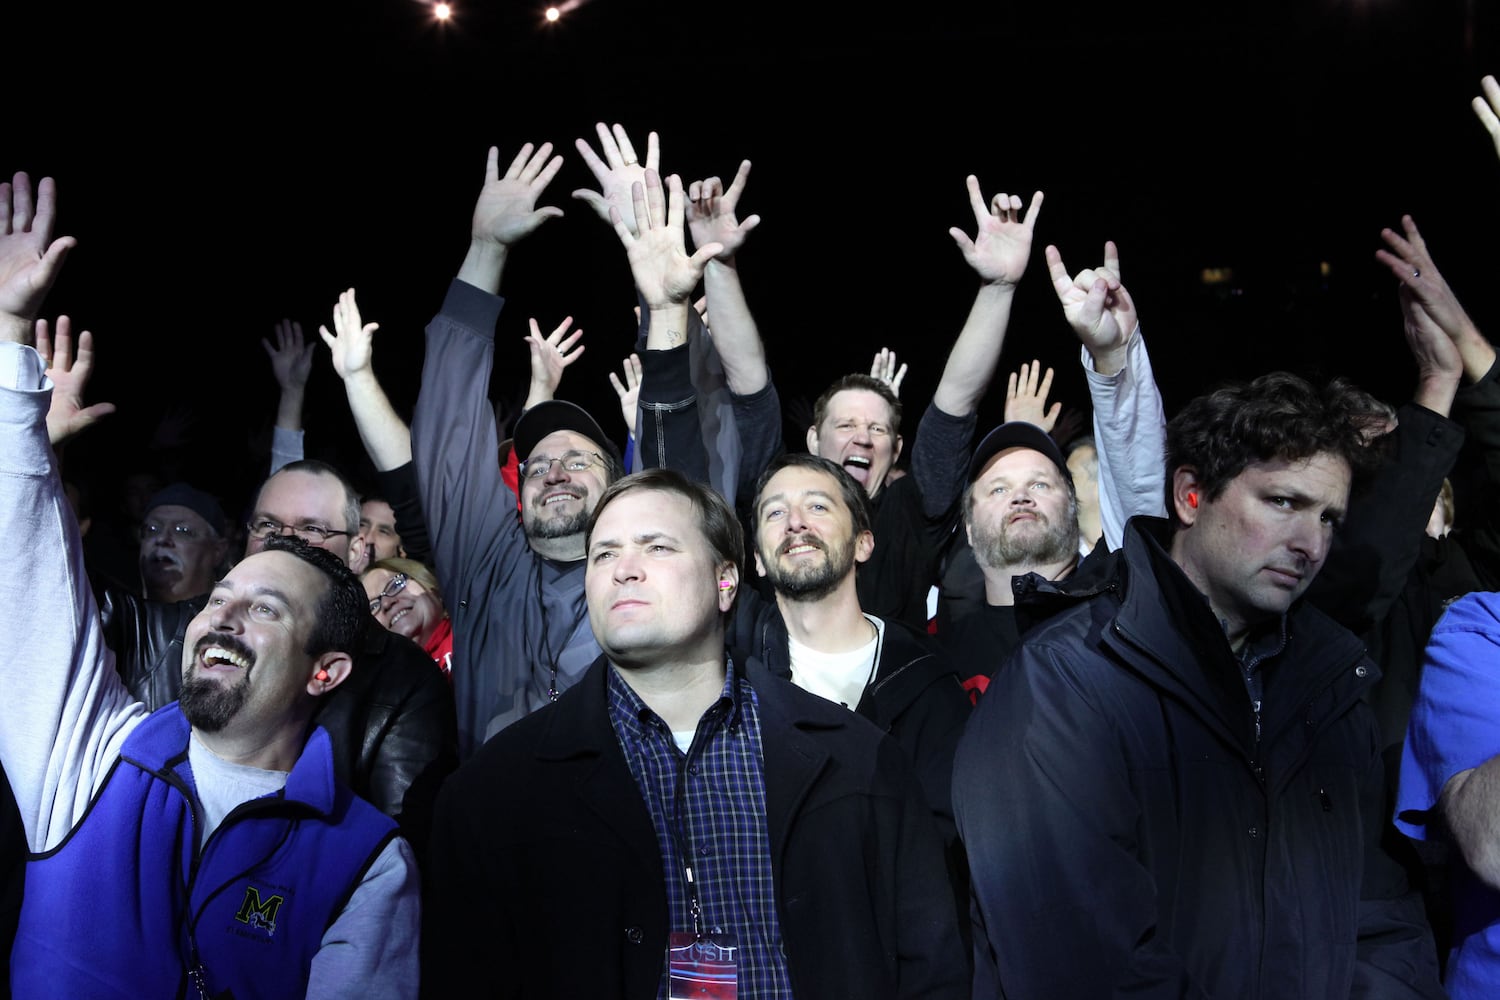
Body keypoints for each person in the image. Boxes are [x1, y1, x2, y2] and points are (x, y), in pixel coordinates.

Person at [0, 170, 418, 998]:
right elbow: (26, 568)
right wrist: (10, 342)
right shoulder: (91, 757)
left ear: (325, 670)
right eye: (220, 599)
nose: (220, 617)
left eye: (264, 608)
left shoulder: (367, 859)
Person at [954, 372, 1443, 998]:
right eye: (1282, 502)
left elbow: (1385, 924)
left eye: (1328, 518)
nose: (1310, 543)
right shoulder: (1062, 685)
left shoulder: (1332, 693)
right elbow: (1087, 968)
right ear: (1190, 496)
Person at [424, 468, 967, 999]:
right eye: (604, 554)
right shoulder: (493, 796)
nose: (623, 570)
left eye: (657, 547)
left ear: (725, 582)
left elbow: (930, 967)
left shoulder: (858, 761)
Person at [411, 140, 719, 755]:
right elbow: (447, 427)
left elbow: (686, 448)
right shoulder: (485, 566)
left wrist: (665, 310)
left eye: (579, 461)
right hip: (496, 816)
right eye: (538, 466)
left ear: (617, 486)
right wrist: (485, 250)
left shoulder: (653, 571)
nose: (554, 473)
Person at [736, 452, 971, 925]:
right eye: (775, 512)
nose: (795, 523)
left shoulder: (927, 685)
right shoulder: (733, 677)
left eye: (817, 506)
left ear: (863, 543)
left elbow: (940, 864)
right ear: (757, 559)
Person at [136, 482, 231, 603]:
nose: (162, 539)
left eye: (183, 531)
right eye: (152, 529)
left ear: (217, 551)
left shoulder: (231, 613)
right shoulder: (118, 611)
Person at [363, 557, 453, 677]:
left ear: (424, 580)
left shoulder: (475, 623)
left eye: (395, 585)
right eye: (373, 607)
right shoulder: (392, 686)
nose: (386, 603)